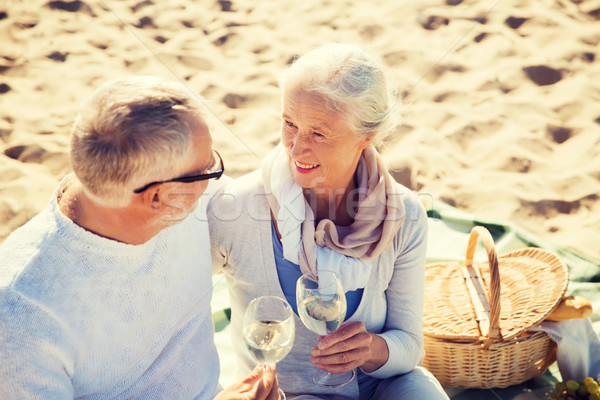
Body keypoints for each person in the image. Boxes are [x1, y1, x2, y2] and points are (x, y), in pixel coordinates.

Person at [0, 75, 279, 400]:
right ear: (158, 198)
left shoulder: (190, 201)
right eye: (208, 170)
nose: (216, 176)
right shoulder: (23, 316)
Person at [208, 43, 450, 399]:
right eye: (289, 124)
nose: (296, 147)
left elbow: (410, 346)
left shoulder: (405, 214)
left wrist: (371, 349)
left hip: (380, 389)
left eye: (319, 133)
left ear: (367, 137)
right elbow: (173, 305)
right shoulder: (236, 207)